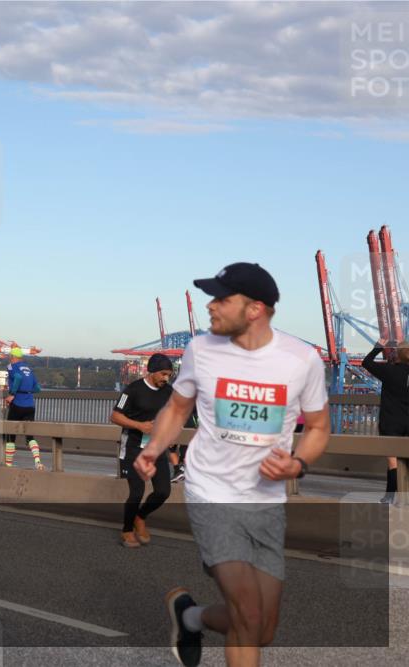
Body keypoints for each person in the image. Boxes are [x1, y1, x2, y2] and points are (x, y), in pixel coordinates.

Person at [134, 262, 330, 667]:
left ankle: (188, 616)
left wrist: (298, 464)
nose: (211, 307)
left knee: (263, 629)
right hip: (212, 493)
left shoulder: (301, 360)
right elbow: (177, 407)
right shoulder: (201, 350)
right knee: (248, 615)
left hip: (264, 502)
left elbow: (318, 427)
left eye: (222, 299)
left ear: (255, 309)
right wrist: (154, 447)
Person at [112, 353, 175, 548]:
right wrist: (139, 426)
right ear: (153, 371)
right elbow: (114, 416)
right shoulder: (133, 390)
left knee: (164, 491)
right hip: (132, 447)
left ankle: (141, 516)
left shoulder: (169, 391)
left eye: (169, 375)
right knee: (137, 492)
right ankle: (127, 530)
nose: (166, 378)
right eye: (163, 374)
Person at [361, 339, 409, 504]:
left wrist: (378, 347)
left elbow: (366, 362)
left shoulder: (389, 371)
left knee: (393, 462)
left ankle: (390, 497)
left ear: (398, 355)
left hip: (391, 421)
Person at [3, 347, 43, 469]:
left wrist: (12, 394)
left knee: (10, 435)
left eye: (10, 357)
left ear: (13, 357)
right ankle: (37, 461)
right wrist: (27, 391)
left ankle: (8, 465)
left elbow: (18, 378)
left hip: (17, 404)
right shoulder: (29, 369)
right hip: (30, 405)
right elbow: (38, 388)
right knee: (30, 436)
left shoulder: (11, 367)